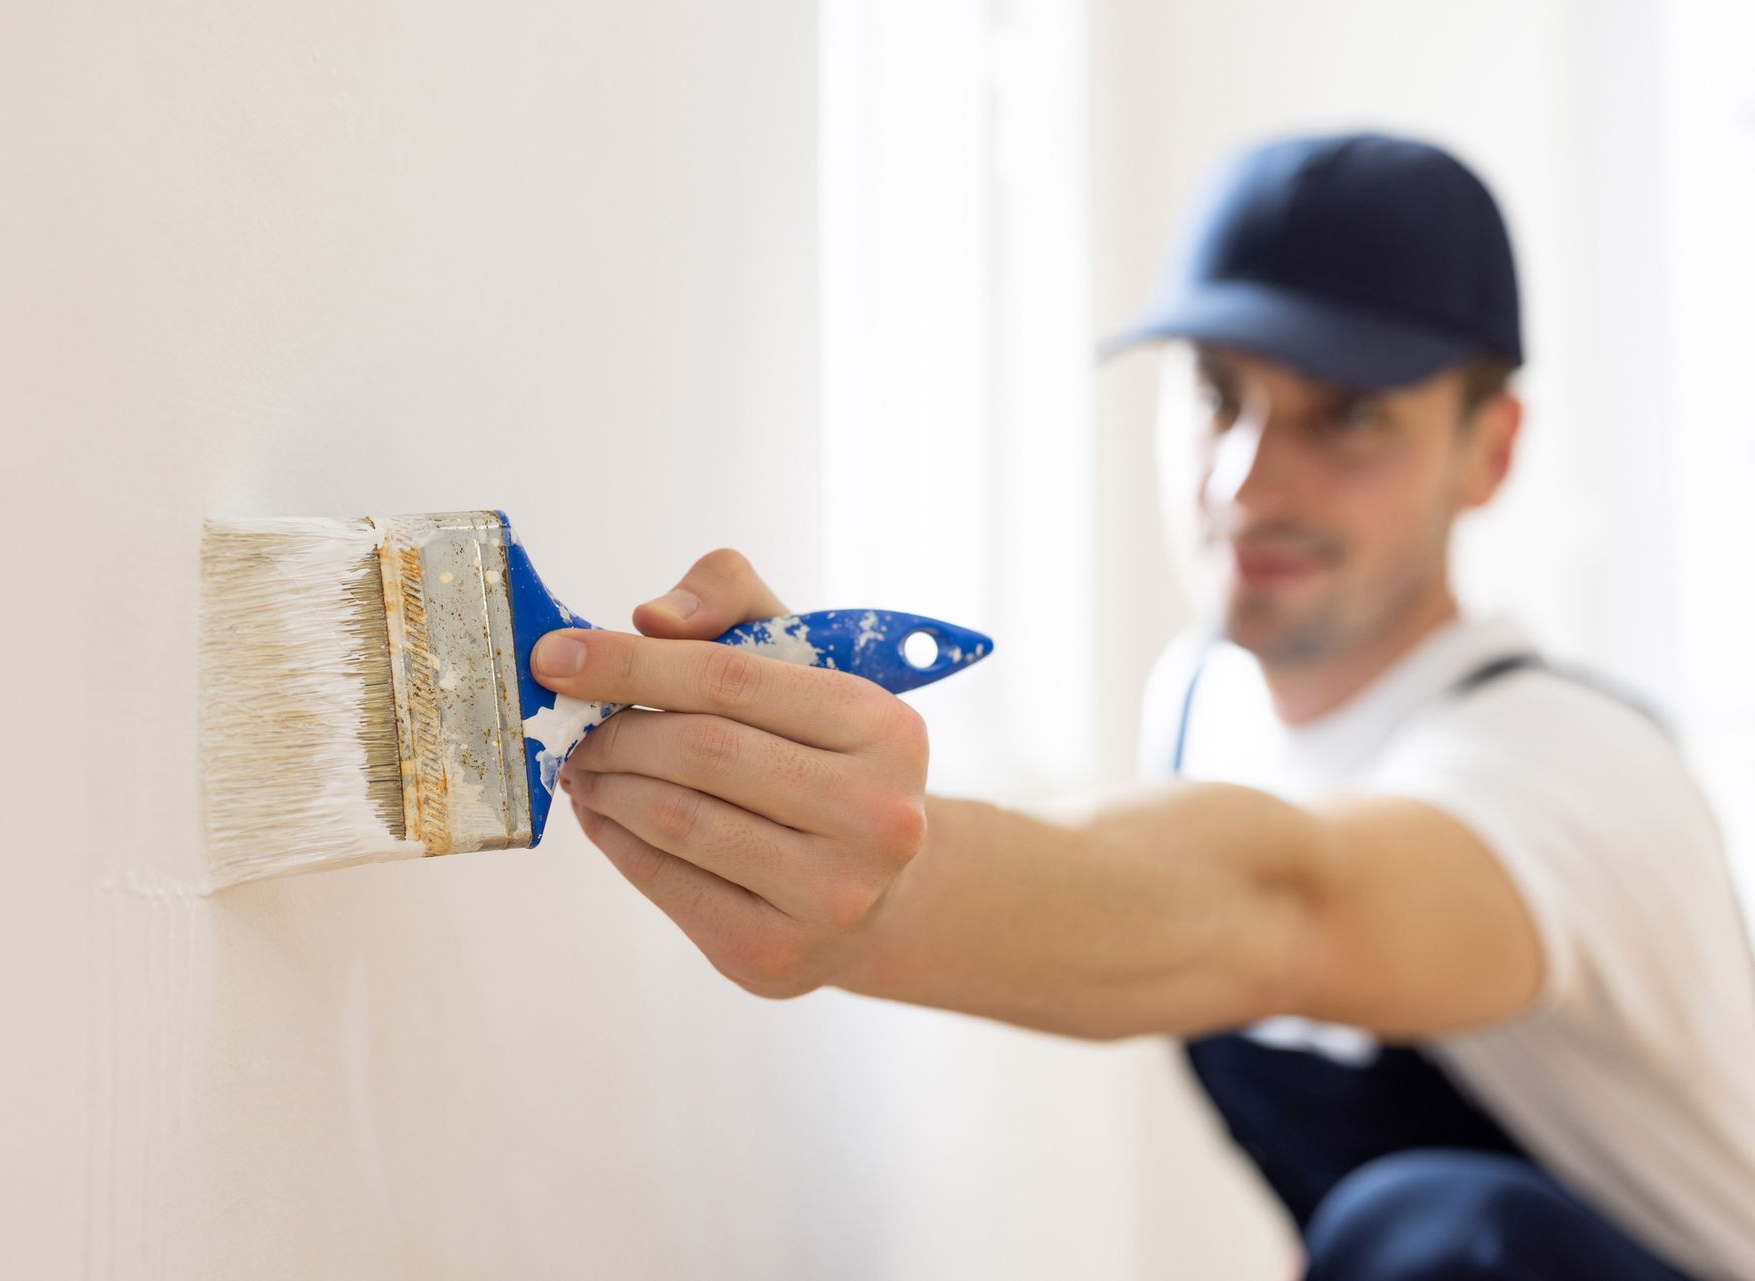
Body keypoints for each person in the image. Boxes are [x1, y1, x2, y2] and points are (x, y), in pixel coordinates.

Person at [527, 132, 1755, 1280]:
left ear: (1489, 452)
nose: (1248, 480)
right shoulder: (1203, 697)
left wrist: (882, 886)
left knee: (1437, 1226)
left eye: (1351, 419)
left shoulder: (1578, 769)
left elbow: (1289, 903)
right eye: (1220, 395)